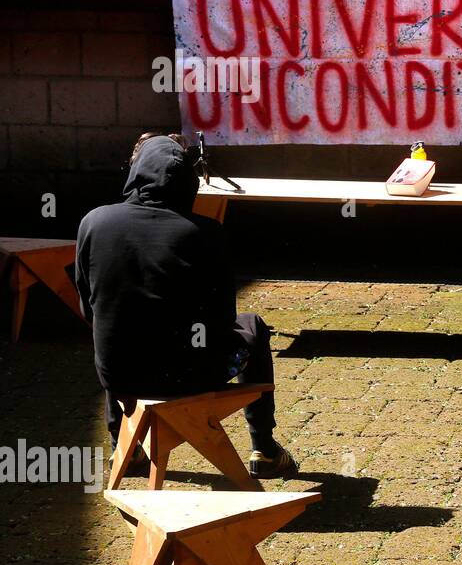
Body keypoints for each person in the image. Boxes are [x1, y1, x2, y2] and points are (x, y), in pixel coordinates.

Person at [75, 133, 296, 478]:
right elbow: (222, 317)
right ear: (187, 181)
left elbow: (90, 307)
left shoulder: (95, 222)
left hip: (120, 375)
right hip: (191, 376)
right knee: (251, 324)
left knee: (118, 319)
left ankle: (125, 446)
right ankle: (264, 447)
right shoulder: (206, 232)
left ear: (134, 172)